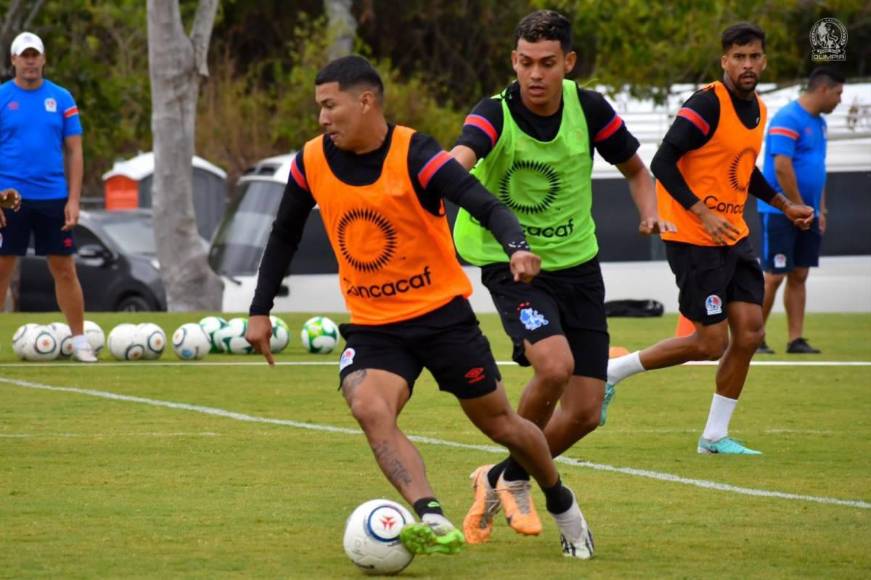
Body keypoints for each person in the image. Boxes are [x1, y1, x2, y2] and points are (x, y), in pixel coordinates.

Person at [245, 55, 594, 560]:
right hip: (374, 327)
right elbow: (283, 235)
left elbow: (485, 204)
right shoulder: (310, 162)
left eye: (329, 105)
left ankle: (562, 502)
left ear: (365, 101)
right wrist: (260, 310)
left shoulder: (416, 153)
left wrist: (516, 245)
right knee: (369, 406)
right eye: (318, 107)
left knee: (503, 426)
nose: (321, 118)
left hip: (442, 317)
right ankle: (429, 513)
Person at [450, 9, 671, 544]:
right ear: (513, 61)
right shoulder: (493, 113)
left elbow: (638, 171)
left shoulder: (590, 108)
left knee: (585, 414)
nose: (535, 74)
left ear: (568, 63)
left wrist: (650, 211)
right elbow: (459, 159)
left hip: (578, 265)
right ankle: (519, 483)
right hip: (511, 263)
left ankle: (500, 474)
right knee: (553, 366)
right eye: (525, 62)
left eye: (548, 63)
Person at [606, 23, 814, 455]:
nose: (747, 65)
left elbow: (742, 168)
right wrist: (702, 212)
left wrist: (783, 203)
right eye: (739, 57)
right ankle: (613, 373)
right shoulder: (705, 104)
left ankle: (714, 436)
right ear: (724, 61)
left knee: (751, 333)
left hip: (731, 235)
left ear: (764, 60)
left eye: (754, 56)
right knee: (709, 341)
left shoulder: (757, 109)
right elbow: (662, 162)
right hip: (692, 236)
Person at [0, 31, 96, 362]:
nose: (30, 60)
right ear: (13, 60)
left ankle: (80, 340)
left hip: (53, 196)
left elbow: (74, 150)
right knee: (1, 268)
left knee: (64, 269)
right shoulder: (1, 98)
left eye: (34, 55)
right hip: (9, 197)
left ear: (43, 59)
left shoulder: (62, 98)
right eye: (23, 55)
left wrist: (73, 199)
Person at [756, 67, 844, 355]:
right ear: (822, 89)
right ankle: (754, 337)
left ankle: (796, 339)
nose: (839, 100)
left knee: (800, 274)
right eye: (838, 93)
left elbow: (819, 169)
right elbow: (781, 166)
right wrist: (795, 207)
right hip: (781, 212)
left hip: (807, 213)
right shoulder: (787, 118)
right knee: (774, 275)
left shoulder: (819, 124)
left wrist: (820, 210)